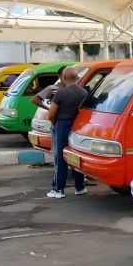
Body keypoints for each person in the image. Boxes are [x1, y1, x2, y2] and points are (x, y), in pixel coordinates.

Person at [46, 67, 88, 199]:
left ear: (64, 77)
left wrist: (55, 124)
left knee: (61, 158)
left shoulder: (60, 93)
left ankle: (59, 190)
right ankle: (80, 187)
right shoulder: (83, 93)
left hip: (62, 125)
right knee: (75, 157)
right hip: (77, 127)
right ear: (77, 78)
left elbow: (51, 114)